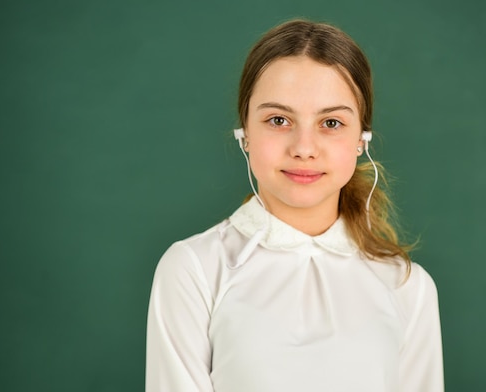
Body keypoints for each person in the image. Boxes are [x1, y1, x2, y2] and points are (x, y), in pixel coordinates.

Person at [146, 19, 443, 392]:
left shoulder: (407, 286)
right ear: (246, 134)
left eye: (331, 122)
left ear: (361, 139)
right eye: (279, 120)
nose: (304, 147)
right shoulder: (194, 270)